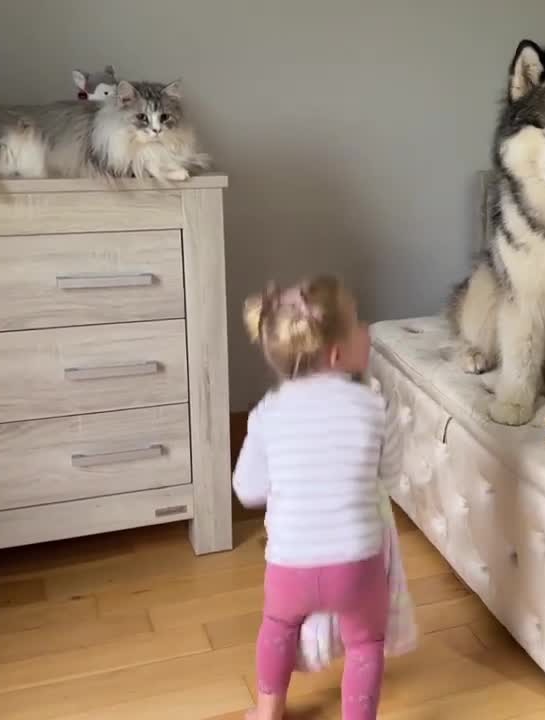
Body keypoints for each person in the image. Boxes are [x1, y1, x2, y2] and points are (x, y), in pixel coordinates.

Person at [232, 275, 397, 720]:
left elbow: (246, 489)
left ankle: (268, 711)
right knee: (366, 643)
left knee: (277, 626)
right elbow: (393, 471)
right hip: (356, 566)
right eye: (359, 323)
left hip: (291, 564)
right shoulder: (372, 406)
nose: (367, 330)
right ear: (338, 354)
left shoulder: (267, 413)